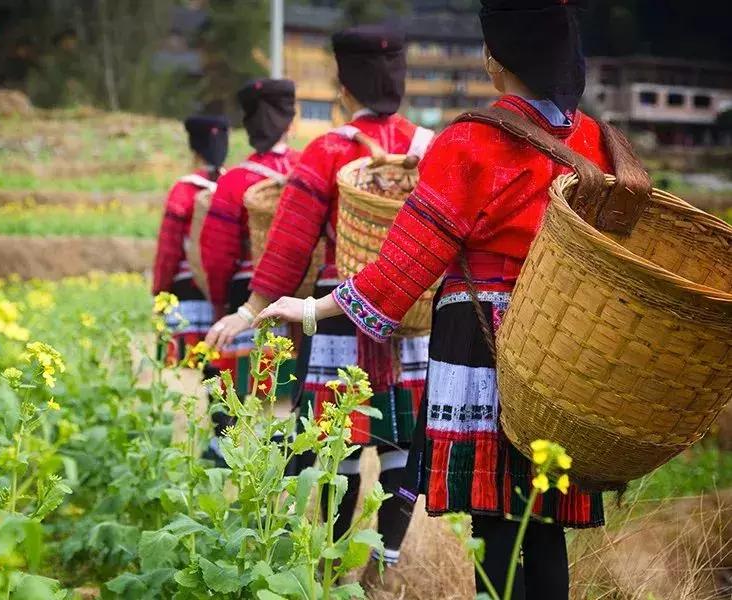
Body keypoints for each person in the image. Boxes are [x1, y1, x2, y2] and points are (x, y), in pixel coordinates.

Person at [249, 1, 610, 598]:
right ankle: (384, 560)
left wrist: (310, 309)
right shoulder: (594, 140)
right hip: (559, 337)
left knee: (494, 519)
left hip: (480, 336)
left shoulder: (470, 142)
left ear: (496, 60)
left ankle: (348, 568)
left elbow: (403, 270)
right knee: (544, 520)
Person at [207, 25, 434, 590]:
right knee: (404, 448)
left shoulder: (329, 151)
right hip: (415, 317)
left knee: (342, 445)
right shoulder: (428, 146)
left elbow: (291, 240)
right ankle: (384, 566)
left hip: (342, 317)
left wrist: (250, 307)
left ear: (343, 86)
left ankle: (332, 568)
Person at [198, 79, 301, 455]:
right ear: (291, 122)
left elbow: (217, 254)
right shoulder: (307, 170)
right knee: (289, 395)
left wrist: (222, 306)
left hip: (248, 293)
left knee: (240, 393)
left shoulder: (235, 181)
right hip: (299, 297)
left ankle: (230, 454)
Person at [152, 115, 229, 365]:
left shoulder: (184, 190)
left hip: (187, 292)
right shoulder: (233, 187)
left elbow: (169, 249)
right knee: (219, 367)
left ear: (194, 149)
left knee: (185, 370)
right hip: (226, 293)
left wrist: (160, 290)